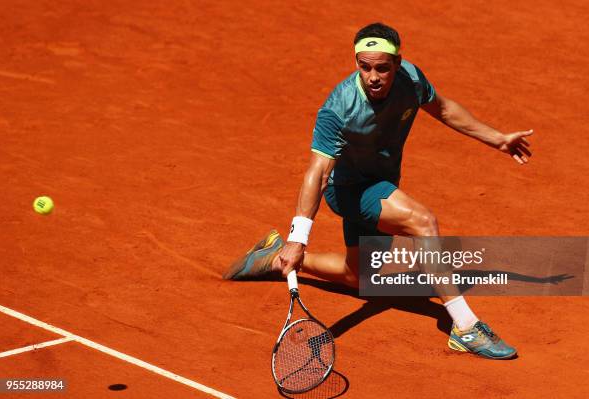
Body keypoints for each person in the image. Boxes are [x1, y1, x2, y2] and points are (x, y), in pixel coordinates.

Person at [224, 22, 532, 360]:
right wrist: (300, 236)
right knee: (423, 221)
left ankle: (273, 256)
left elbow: (443, 109)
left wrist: (497, 138)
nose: (373, 76)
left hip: (382, 183)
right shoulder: (338, 108)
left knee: (359, 277)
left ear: (398, 64)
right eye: (365, 66)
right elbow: (318, 172)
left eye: (382, 68)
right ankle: (464, 326)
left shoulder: (411, 80)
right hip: (350, 191)